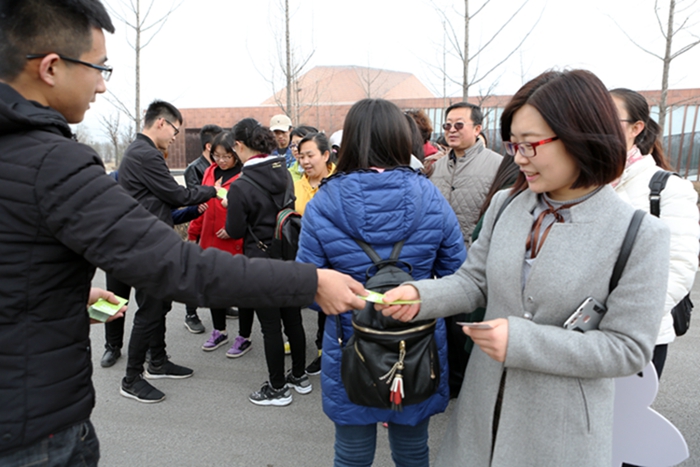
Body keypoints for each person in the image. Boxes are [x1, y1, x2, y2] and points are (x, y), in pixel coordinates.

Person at [378, 70, 671, 466]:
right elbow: (473, 281)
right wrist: (420, 295)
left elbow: (627, 349)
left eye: (530, 145)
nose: (518, 158)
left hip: (561, 434)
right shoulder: (506, 206)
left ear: (581, 136)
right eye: (513, 144)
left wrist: (522, 342)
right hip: (479, 422)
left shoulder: (639, 234)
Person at [296, 98, 466, 467]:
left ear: (351, 140)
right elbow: (459, 279)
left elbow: (308, 289)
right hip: (418, 344)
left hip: (350, 343)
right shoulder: (431, 197)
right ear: (401, 138)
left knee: (352, 452)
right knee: (412, 450)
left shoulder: (323, 202)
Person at [116, 99, 222, 401]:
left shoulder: (140, 152)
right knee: (150, 309)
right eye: (175, 130)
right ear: (161, 123)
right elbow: (176, 195)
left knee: (160, 304)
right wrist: (213, 190)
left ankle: (158, 361)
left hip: (152, 241)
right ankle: (131, 377)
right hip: (145, 245)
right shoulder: (145, 154)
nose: (175, 137)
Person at [610, 87, 699, 379]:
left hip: (641, 334)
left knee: (626, 422)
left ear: (637, 128)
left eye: (612, 118)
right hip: (584, 333)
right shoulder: (582, 181)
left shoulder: (667, 188)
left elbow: (679, 267)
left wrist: (628, 319)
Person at [225, 118, 312, 406]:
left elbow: (236, 230)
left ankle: (277, 388)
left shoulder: (241, 185)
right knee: (293, 319)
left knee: (271, 327)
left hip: (261, 261)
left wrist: (231, 207)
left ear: (239, 145)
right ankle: (298, 376)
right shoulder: (284, 171)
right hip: (288, 254)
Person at [187, 131, 256, 357]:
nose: (221, 161)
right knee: (213, 287)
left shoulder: (245, 175)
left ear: (236, 153)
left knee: (242, 290)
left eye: (227, 156)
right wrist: (193, 232)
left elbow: (252, 213)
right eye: (216, 156)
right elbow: (202, 204)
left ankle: (244, 336)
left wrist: (234, 232)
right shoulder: (209, 171)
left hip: (234, 241)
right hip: (209, 237)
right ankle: (219, 330)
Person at [429, 102, 503, 246]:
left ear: (477, 129)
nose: (452, 130)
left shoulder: (497, 166)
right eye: (447, 125)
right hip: (439, 254)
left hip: (477, 254)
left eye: (459, 125)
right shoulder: (435, 167)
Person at [293, 132, 336, 376]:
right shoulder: (296, 185)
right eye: (301, 157)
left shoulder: (337, 183)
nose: (306, 162)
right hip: (303, 253)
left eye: (311, 156)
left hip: (331, 256)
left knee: (326, 306)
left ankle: (324, 351)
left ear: (326, 155)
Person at [182, 123, 224, 332]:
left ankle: (221, 306)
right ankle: (191, 313)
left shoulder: (220, 168)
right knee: (196, 271)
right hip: (200, 225)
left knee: (215, 270)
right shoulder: (195, 169)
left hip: (216, 228)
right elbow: (194, 202)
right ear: (209, 146)